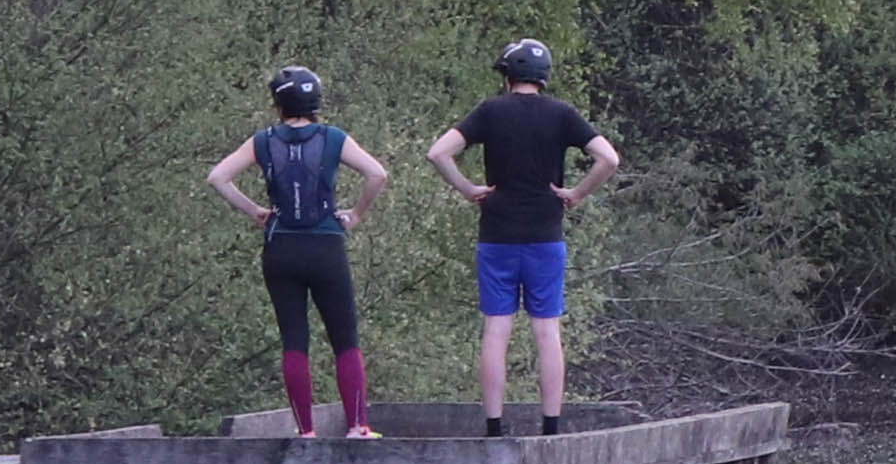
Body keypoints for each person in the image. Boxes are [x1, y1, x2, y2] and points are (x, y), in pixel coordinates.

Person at [427, 38, 620, 433]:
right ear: (543, 76)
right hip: (545, 236)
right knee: (546, 331)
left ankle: (494, 427)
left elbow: (438, 153)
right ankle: (550, 427)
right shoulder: (562, 114)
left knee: (496, 330)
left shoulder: (490, 111)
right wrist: (577, 194)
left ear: (508, 76)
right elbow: (609, 159)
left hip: (496, 235)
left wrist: (467, 189)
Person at [204, 68, 389, 436]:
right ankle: (357, 426)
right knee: (345, 338)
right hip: (326, 246)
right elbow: (377, 174)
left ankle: (306, 432)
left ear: (279, 105)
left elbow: (218, 177)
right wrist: (356, 214)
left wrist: (254, 211)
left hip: (281, 248)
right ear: (316, 103)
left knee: (294, 339)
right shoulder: (333, 138)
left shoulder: (262, 141)